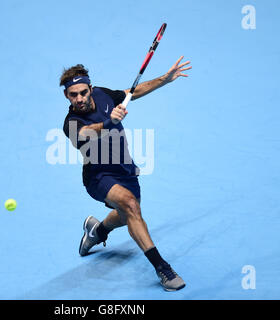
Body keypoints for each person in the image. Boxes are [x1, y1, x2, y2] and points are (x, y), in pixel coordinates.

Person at [61, 56, 191, 291]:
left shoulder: (102, 94)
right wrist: (109, 122)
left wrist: (165, 79)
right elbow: (88, 132)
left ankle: (97, 230)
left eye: (83, 92)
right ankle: (163, 269)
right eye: (73, 95)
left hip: (125, 168)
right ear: (66, 96)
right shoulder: (71, 123)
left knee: (128, 214)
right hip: (98, 176)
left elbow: (131, 92)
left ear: (90, 89)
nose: (79, 98)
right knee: (131, 206)